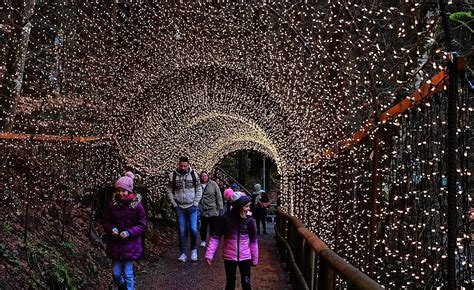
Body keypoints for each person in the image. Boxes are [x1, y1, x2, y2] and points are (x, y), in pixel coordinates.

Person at [205, 189, 258, 290]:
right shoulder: (225, 219)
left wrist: (254, 258)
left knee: (246, 283)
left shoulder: (250, 221)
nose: (249, 209)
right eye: (246, 206)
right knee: (230, 283)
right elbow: (215, 237)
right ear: (239, 206)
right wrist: (209, 254)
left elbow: (253, 241)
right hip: (229, 257)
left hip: (245, 257)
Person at [102, 172, 147, 290]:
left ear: (129, 191)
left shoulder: (137, 206)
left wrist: (129, 232)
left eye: (123, 191)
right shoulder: (112, 205)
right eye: (118, 190)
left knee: (128, 273)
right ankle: (122, 286)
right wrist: (112, 229)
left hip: (130, 245)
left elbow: (142, 225)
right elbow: (106, 222)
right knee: (116, 273)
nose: (121, 193)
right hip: (115, 244)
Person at [167, 156, 203, 262]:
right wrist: (174, 204)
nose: (183, 168)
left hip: (192, 206)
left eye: (185, 166)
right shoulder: (172, 176)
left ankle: (193, 250)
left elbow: (199, 188)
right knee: (182, 231)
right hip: (179, 207)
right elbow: (169, 190)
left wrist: (196, 203)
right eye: (181, 166)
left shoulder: (194, 175)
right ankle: (183, 253)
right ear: (178, 165)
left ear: (188, 165)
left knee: (193, 229)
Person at [198, 171, 223, 247]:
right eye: (202, 176)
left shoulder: (213, 184)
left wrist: (220, 207)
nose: (204, 177)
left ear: (208, 176)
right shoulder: (198, 185)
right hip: (202, 209)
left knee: (213, 227)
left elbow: (218, 195)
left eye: (205, 176)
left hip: (213, 209)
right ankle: (203, 240)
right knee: (203, 227)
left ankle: (212, 241)